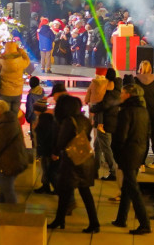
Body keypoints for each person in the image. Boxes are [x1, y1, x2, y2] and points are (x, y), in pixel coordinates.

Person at [48, 95, 99, 233]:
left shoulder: (68, 121)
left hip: (72, 161)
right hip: (85, 159)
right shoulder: (85, 119)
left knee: (65, 190)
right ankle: (94, 223)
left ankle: (59, 220)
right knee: (84, 192)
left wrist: (55, 153)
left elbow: (61, 141)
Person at [111, 84, 151, 235]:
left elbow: (121, 136)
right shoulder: (143, 111)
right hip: (139, 152)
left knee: (133, 189)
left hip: (128, 153)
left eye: (123, 93)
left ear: (128, 95)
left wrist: (117, 153)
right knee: (128, 186)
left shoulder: (126, 112)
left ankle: (145, 223)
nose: (121, 95)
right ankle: (121, 218)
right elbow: (147, 134)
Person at [0, 99, 28, 205]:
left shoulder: (4, 126)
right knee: (4, 190)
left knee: (8, 191)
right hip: (14, 159)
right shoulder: (11, 121)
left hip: (8, 162)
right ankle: (2, 213)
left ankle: (13, 216)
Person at [0, 40, 31, 112]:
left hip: (3, 92)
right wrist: (20, 50)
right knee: (14, 116)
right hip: (17, 93)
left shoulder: (0, 62)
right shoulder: (21, 62)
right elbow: (27, 59)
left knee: (3, 116)